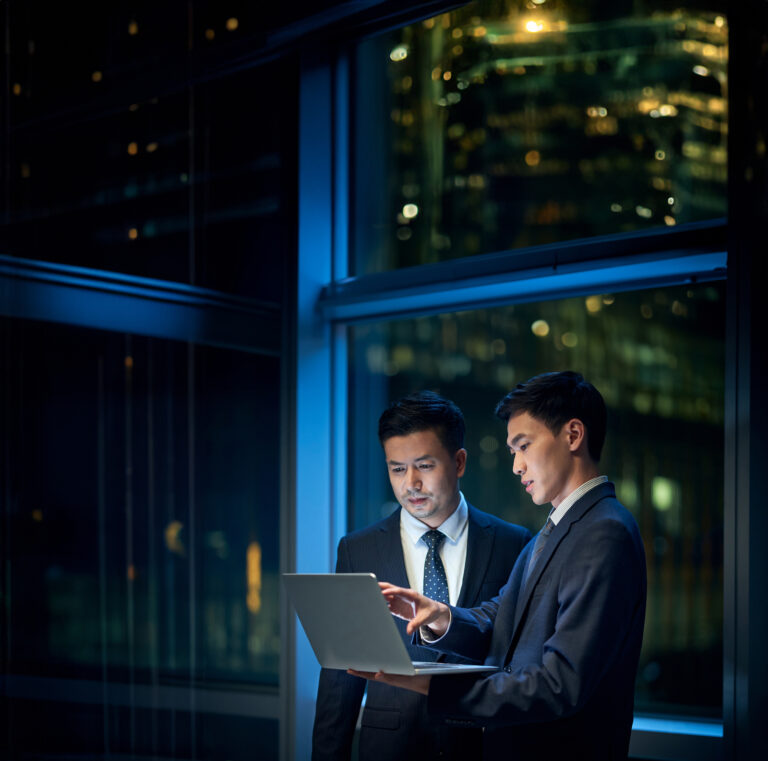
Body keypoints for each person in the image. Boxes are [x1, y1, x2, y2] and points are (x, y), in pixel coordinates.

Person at [351, 372, 647, 761]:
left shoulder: (603, 533)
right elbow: (501, 617)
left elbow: (559, 684)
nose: (516, 466)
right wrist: (440, 616)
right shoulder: (558, 529)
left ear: (573, 435)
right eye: (512, 452)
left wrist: (427, 684)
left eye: (523, 446)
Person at [312, 390, 531, 761]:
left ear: (459, 462)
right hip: (390, 748)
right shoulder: (358, 549)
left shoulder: (514, 543)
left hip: (481, 746)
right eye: (397, 468)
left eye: (425, 466)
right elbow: (340, 678)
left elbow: (516, 653)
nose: (410, 483)